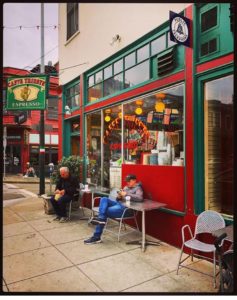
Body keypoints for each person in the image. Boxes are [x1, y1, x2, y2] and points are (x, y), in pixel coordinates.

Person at [84, 174, 143, 244]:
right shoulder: (126, 187)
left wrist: (126, 194)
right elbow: (118, 200)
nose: (127, 183)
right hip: (119, 204)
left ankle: (96, 236)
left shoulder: (138, 188)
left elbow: (140, 198)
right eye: (126, 181)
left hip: (126, 209)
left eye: (129, 181)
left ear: (134, 181)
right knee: (104, 199)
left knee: (104, 212)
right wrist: (119, 196)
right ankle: (101, 220)